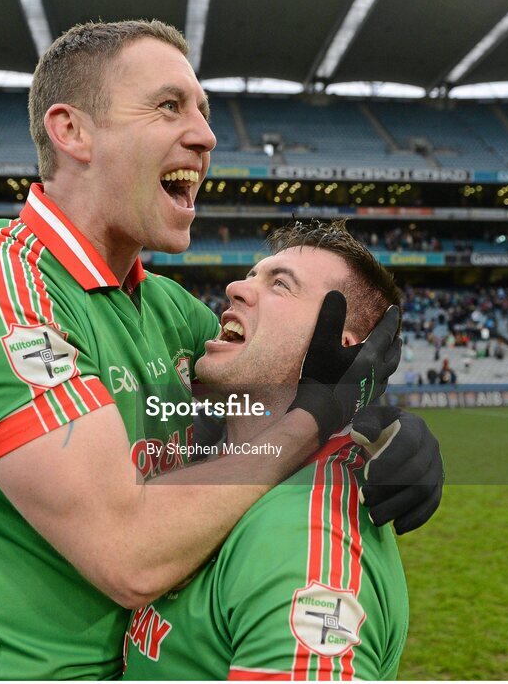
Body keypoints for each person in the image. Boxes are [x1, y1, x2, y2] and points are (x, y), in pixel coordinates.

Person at [0, 20, 442, 680]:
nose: (206, 135)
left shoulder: (168, 311)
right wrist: (313, 420)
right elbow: (128, 554)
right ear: (72, 132)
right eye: (168, 106)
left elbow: (276, 381)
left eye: (203, 112)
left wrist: (381, 428)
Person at [123, 222, 428, 680]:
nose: (235, 287)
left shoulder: (307, 546)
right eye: (252, 274)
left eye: (280, 285)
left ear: (341, 347)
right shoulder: (204, 451)